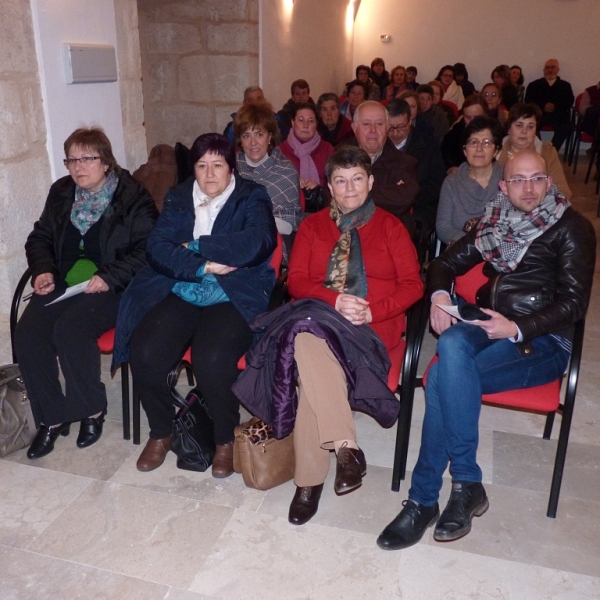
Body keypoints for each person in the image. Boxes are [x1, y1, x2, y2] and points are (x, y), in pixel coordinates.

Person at [377, 149, 596, 551]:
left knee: (441, 377)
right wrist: (442, 295)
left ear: (548, 182)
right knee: (456, 340)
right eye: (518, 180)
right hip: (489, 321)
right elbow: (443, 263)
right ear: (504, 185)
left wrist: (516, 327)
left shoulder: (573, 228)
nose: (528, 188)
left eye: (536, 179)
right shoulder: (496, 222)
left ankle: (424, 499)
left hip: (541, 340)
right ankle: (466, 485)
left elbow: (574, 304)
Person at [233, 146, 423, 525]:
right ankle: (346, 448)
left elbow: (413, 285)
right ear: (329, 185)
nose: (349, 188)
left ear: (370, 182)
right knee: (307, 338)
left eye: (357, 179)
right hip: (321, 316)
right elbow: (298, 281)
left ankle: (309, 483)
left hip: (372, 328)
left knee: (307, 353)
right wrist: (335, 301)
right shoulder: (313, 225)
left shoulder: (391, 227)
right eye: (340, 180)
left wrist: (373, 309)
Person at [113, 133, 278, 476]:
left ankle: (223, 439)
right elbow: (158, 247)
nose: (210, 174)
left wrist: (197, 246)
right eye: (202, 166)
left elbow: (258, 242)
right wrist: (200, 265)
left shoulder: (252, 195)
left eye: (218, 165)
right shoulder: (178, 195)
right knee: (144, 350)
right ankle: (161, 431)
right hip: (183, 284)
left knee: (212, 357)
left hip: (233, 290)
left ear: (231, 168)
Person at [15, 127, 158, 459]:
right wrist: (44, 270)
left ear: (105, 161)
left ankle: (91, 410)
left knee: (71, 329)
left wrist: (109, 276)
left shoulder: (132, 196)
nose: (79, 167)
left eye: (88, 158)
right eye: (72, 160)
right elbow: (39, 237)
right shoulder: (62, 192)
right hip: (65, 283)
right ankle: (51, 417)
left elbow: (150, 249)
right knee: (29, 333)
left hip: (114, 286)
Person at [233, 102, 302, 248]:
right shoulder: (230, 169)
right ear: (240, 140)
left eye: (259, 134)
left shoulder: (286, 171)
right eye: (246, 135)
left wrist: (243, 222)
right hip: (230, 242)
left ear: (269, 137)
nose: (253, 143)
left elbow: (288, 225)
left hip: (271, 245)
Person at [351, 101, 420, 231]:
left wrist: (354, 193)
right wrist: (387, 191)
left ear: (387, 128)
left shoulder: (406, 163)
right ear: (355, 128)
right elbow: (332, 200)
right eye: (366, 124)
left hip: (390, 235)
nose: (373, 130)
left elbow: (402, 200)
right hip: (349, 234)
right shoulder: (339, 159)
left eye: (379, 124)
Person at [436, 116, 504, 245]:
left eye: (486, 143)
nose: (479, 148)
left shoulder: (507, 180)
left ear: (496, 150)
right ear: (465, 150)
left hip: (498, 252)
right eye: (473, 142)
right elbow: (443, 227)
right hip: (460, 251)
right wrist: (472, 244)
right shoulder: (451, 183)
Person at [387, 98, 445, 239]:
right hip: (385, 204)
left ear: (410, 121)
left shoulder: (428, 144)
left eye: (400, 127)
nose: (395, 133)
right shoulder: (377, 145)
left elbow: (436, 183)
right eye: (390, 127)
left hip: (418, 205)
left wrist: (407, 198)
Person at [497, 103, 571, 199]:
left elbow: (563, 191)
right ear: (509, 129)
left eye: (530, 127)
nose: (524, 131)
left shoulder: (548, 153)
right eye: (519, 125)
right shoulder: (495, 152)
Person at [280, 102, 335, 212]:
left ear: (316, 124)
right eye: (301, 120)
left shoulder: (327, 149)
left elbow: (337, 182)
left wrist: (319, 187)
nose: (306, 125)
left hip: (323, 208)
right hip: (289, 209)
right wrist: (291, 182)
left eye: (311, 121)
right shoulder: (281, 151)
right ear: (292, 122)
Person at [525, 59, 574, 152]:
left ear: (557, 70)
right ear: (544, 70)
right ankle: (538, 150)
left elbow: (569, 101)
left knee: (566, 126)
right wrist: (543, 106)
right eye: (547, 67)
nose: (550, 70)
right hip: (539, 115)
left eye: (553, 67)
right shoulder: (534, 85)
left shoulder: (565, 85)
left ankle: (551, 151)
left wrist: (555, 106)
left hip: (559, 116)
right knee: (530, 125)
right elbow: (528, 101)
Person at [441, 94, 489, 174]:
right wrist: (450, 168)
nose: (472, 122)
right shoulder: (455, 133)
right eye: (468, 117)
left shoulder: (495, 133)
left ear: (486, 116)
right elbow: (445, 154)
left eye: (476, 117)